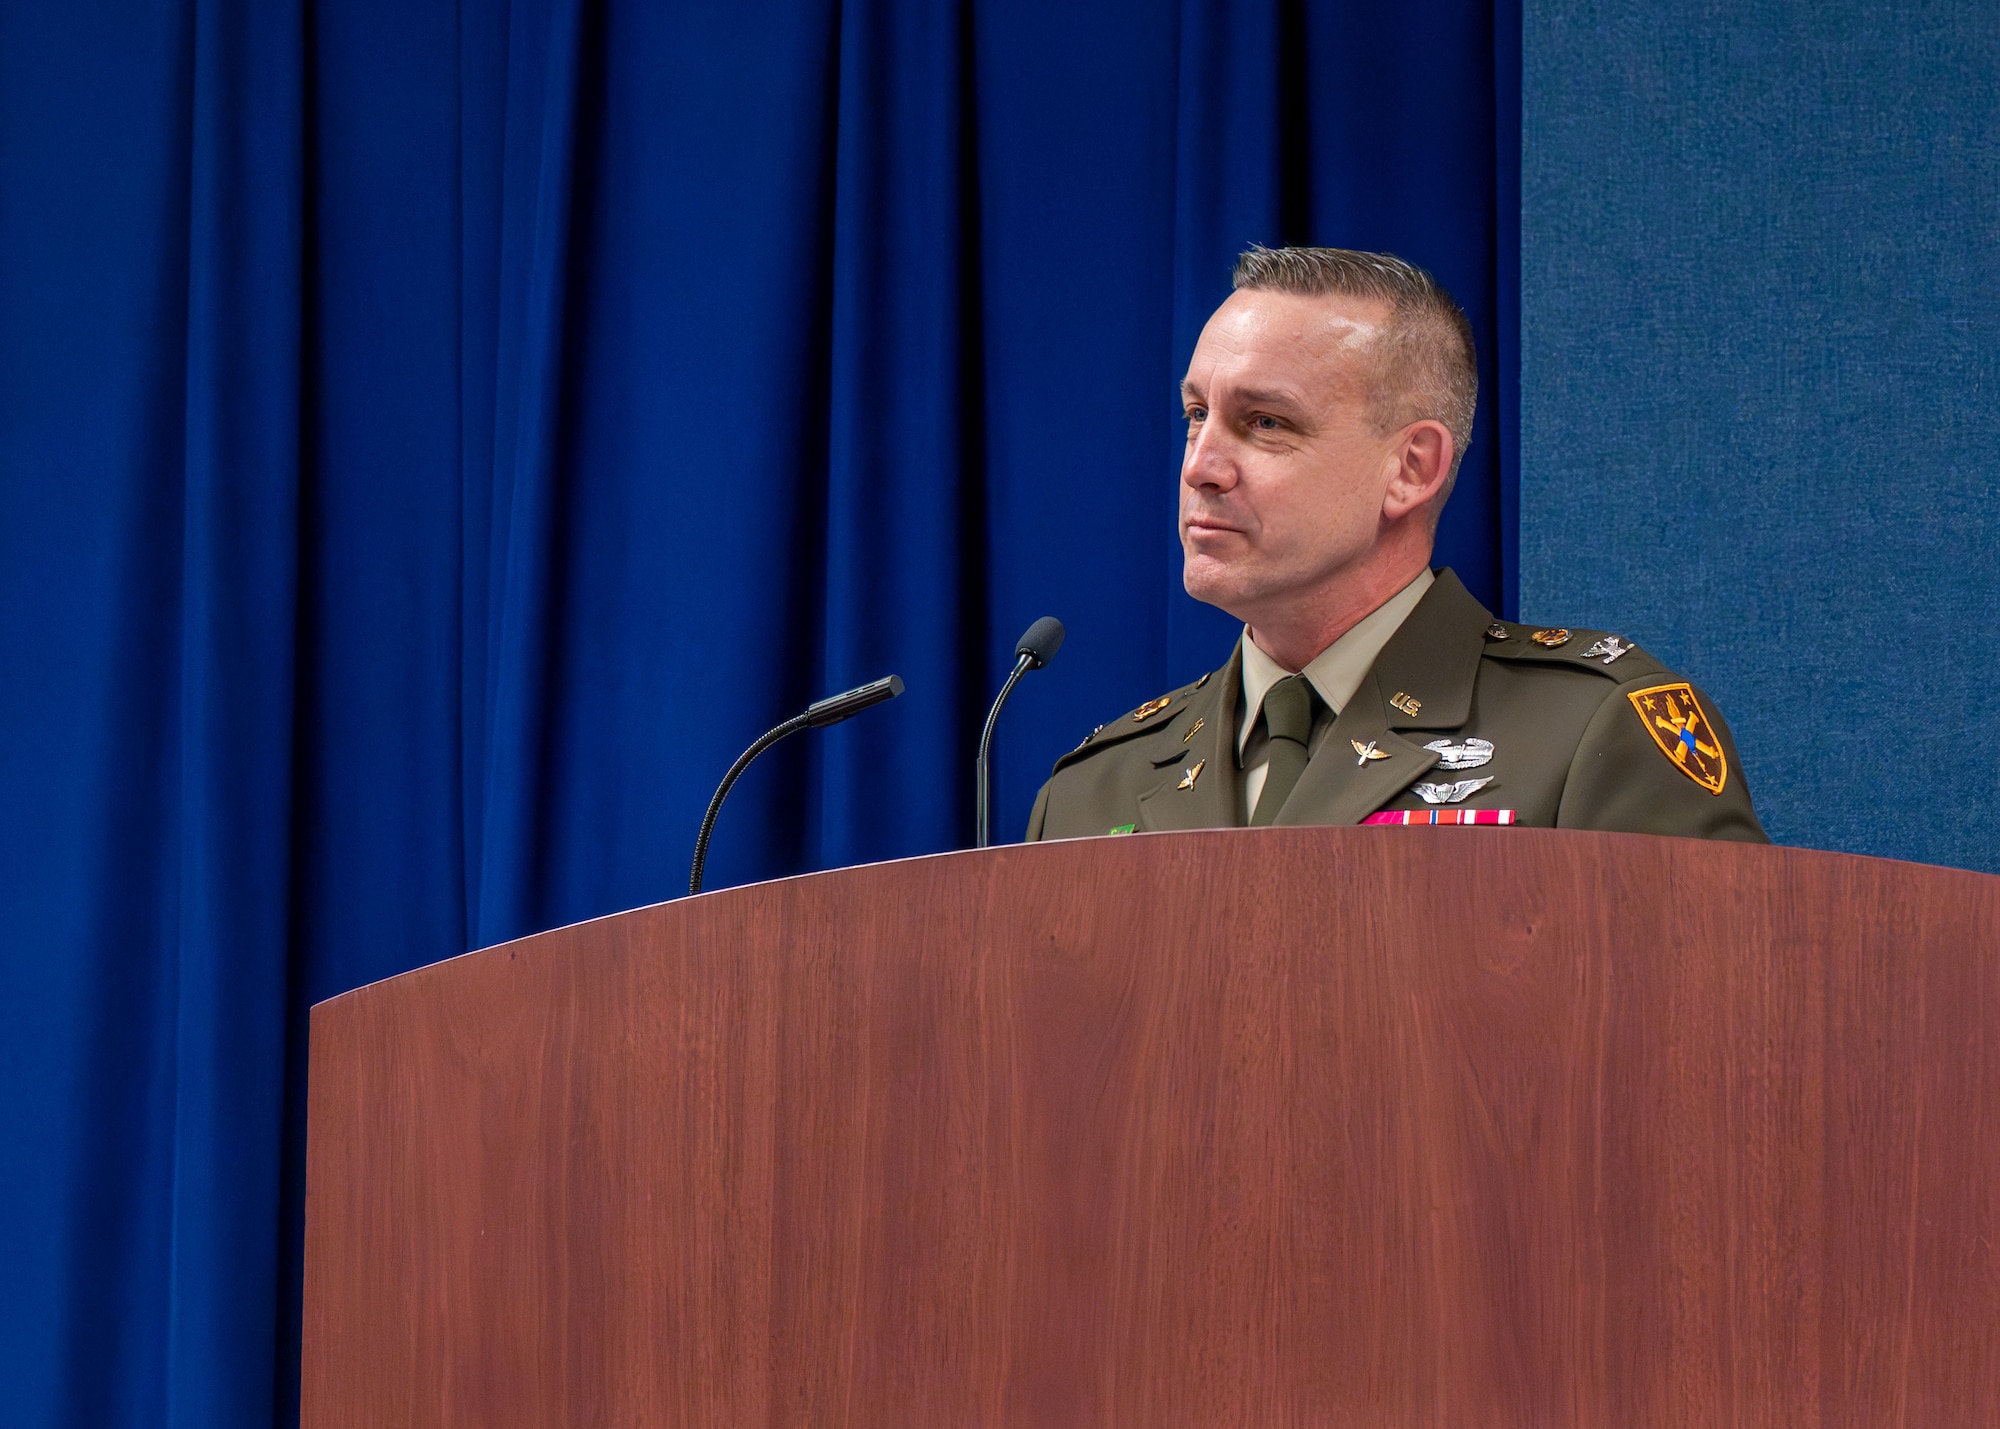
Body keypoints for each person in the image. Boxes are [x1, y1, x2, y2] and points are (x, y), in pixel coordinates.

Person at [1026, 245, 1765, 842]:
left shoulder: (1593, 735)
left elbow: (1704, 1021)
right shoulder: (1093, 790)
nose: (1200, 467)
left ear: (1411, 469)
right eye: (1196, 414)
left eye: (1266, 423)